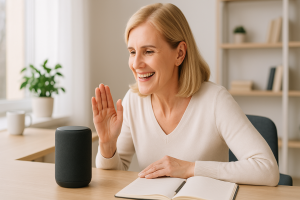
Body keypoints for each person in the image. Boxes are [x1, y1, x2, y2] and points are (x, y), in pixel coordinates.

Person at [91, 3, 279, 186]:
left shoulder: (215, 101)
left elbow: (267, 170)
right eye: (132, 52)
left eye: (148, 51)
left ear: (179, 53)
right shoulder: (133, 101)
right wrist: (107, 145)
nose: (136, 63)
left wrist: (191, 169)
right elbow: (115, 178)